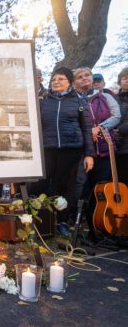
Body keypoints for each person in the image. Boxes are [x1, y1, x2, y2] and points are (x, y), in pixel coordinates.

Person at [35, 67, 94, 236]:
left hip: (71, 150)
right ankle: (41, 223)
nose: (56, 81)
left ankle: (61, 221)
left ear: (69, 82)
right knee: (42, 185)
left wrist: (89, 154)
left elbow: (87, 129)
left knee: (66, 188)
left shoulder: (78, 101)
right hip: (47, 150)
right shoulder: (43, 101)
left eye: (61, 79)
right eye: (54, 79)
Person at [73, 67, 121, 240]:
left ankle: (98, 225)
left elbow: (116, 116)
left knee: (100, 190)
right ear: (74, 82)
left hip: (104, 149)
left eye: (87, 75)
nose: (85, 78)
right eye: (80, 77)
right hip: (83, 152)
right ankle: (77, 226)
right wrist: (87, 131)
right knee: (81, 189)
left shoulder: (106, 97)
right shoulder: (74, 99)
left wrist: (98, 128)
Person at [116, 68, 128, 184]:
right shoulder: (114, 99)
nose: (127, 81)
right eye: (124, 78)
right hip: (117, 147)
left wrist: (119, 130)